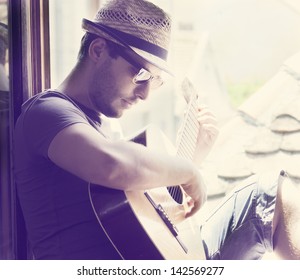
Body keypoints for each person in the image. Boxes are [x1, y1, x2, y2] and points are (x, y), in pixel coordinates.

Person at [13, 0, 300, 260]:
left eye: (155, 80)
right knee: (264, 195)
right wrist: (187, 172)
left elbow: (142, 219)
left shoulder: (105, 125)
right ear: (98, 50)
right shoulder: (47, 112)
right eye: (140, 74)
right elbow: (111, 165)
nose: (145, 94)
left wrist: (190, 160)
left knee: (272, 195)